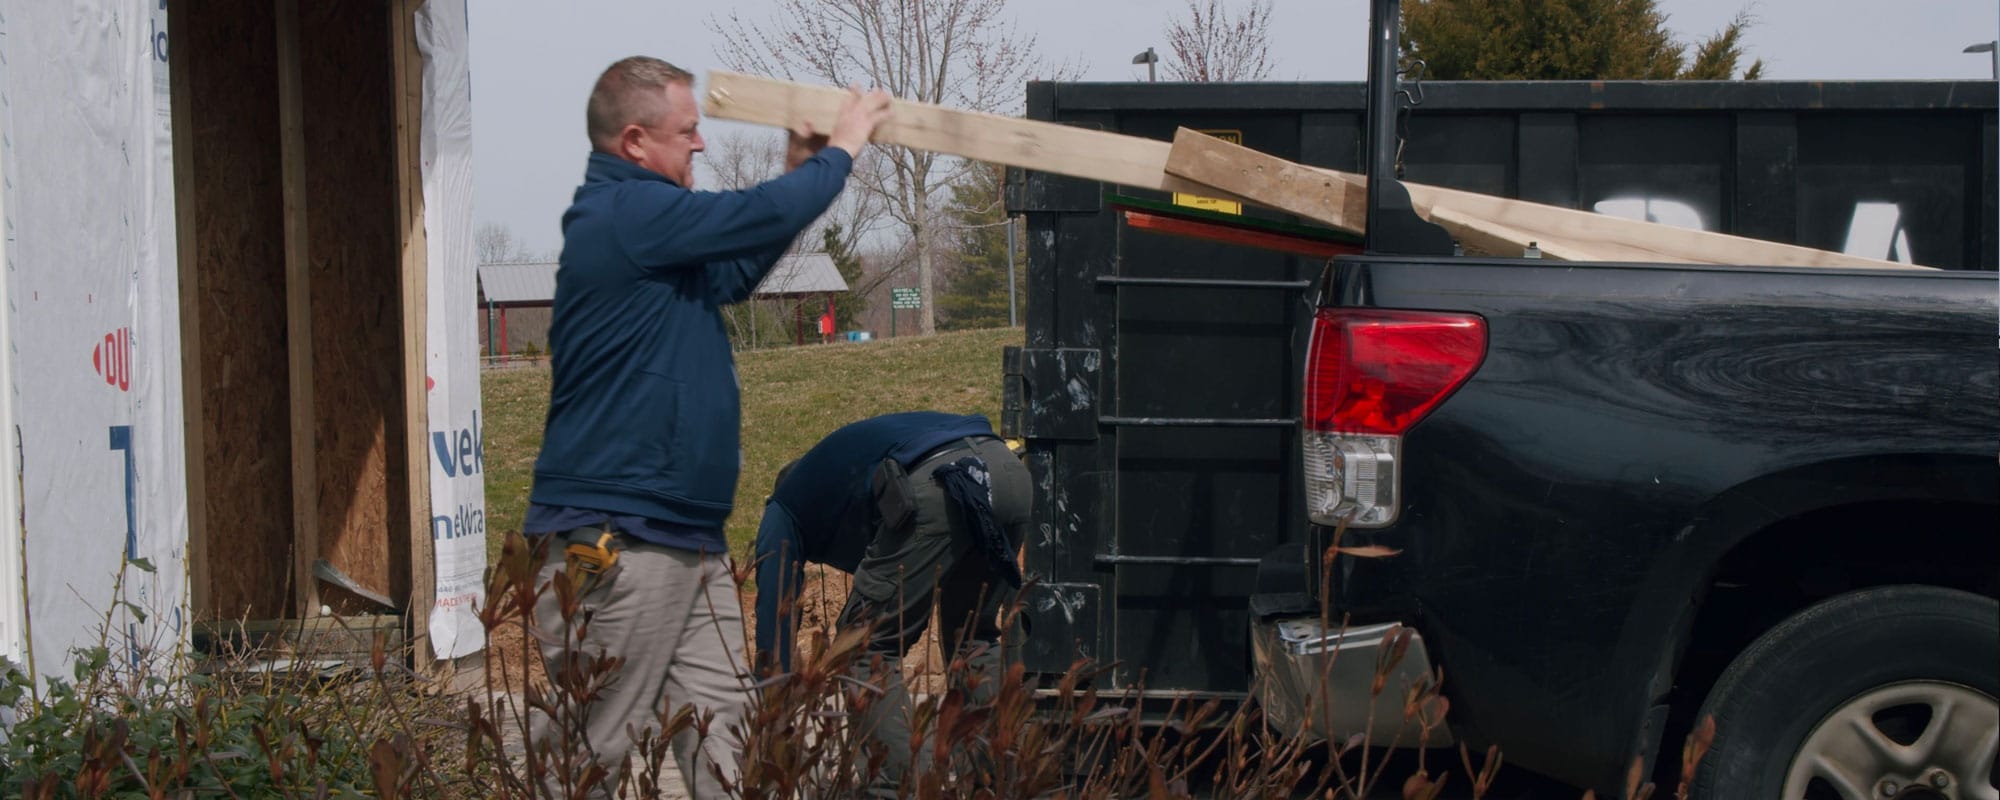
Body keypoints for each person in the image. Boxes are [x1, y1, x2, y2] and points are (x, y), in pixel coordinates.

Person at [523, 55, 890, 798]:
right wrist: (844, 149)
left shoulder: (658, 240)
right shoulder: (626, 214)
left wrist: (799, 165)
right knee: (589, 755)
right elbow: (754, 215)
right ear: (634, 141)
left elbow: (732, 269)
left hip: (686, 542)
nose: (701, 145)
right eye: (687, 131)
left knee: (731, 739)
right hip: (622, 540)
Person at [752, 411, 1031, 790]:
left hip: (942, 480)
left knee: (862, 648)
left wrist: (773, 704)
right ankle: (1007, 780)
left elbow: (775, 609)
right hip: (1007, 472)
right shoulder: (851, 474)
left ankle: (897, 786)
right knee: (973, 638)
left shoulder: (786, 507)